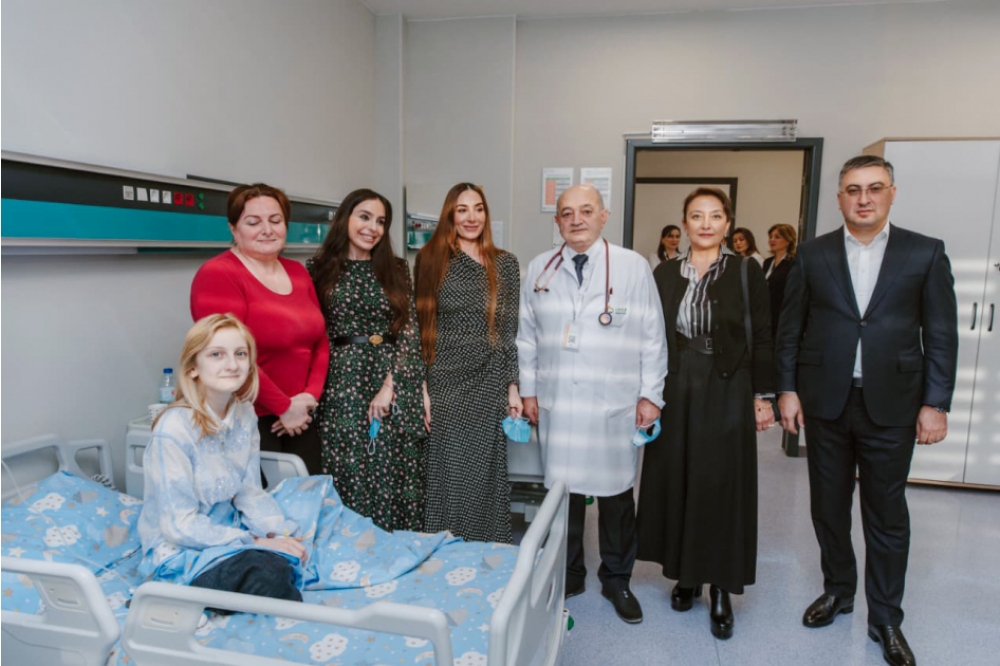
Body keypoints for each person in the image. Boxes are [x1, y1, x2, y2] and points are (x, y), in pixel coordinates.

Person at [776, 155, 958, 666]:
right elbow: (790, 328)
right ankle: (838, 591)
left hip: (894, 404)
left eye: (874, 188)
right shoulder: (813, 254)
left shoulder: (924, 252)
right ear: (839, 198)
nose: (864, 199)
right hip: (826, 401)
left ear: (891, 193)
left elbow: (941, 334)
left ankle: (885, 618)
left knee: (886, 514)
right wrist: (786, 389)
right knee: (828, 508)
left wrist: (935, 403)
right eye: (853, 189)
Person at [518, 184, 668, 624]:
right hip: (559, 401)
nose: (576, 219)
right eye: (567, 213)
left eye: (586, 211)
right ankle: (568, 573)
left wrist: (651, 395)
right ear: (557, 222)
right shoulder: (540, 268)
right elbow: (526, 337)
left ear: (604, 216)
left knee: (616, 494)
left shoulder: (632, 266)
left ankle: (617, 578)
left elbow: (653, 335)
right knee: (563, 494)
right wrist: (529, 391)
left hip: (613, 402)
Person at [636, 187, 774, 640]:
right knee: (678, 477)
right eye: (697, 216)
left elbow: (763, 334)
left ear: (728, 224)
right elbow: (649, 333)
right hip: (676, 382)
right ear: (685, 223)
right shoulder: (664, 272)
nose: (706, 224)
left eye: (715, 216)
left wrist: (762, 396)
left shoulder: (745, 271)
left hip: (727, 382)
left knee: (720, 483)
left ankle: (719, 587)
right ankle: (685, 575)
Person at [137, 314, 305, 605]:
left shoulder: (244, 415)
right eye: (216, 354)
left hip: (230, 532)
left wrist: (279, 533)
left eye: (240, 354)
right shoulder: (173, 429)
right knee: (269, 572)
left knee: (308, 527)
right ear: (193, 368)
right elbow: (178, 526)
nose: (232, 364)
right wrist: (256, 543)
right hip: (183, 550)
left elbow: (249, 491)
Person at [307, 189, 429, 532]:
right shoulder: (317, 269)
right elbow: (314, 331)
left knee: (395, 466)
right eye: (364, 217)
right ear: (344, 218)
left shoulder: (397, 269)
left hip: (392, 374)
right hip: (341, 380)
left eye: (380, 221)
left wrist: (392, 385)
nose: (372, 227)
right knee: (349, 467)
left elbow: (409, 329)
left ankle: (397, 547)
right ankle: (350, 547)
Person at [191, 183, 329, 475]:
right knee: (258, 502)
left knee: (310, 497)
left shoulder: (297, 272)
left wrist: (309, 398)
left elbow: (320, 340)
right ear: (234, 229)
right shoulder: (219, 274)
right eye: (253, 222)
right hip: (247, 417)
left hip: (300, 414)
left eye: (275, 220)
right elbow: (227, 357)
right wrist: (282, 406)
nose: (267, 230)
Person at [415, 182, 522, 543]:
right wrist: (423, 388)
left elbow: (507, 331)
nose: (471, 217)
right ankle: (444, 554)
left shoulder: (505, 264)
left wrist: (512, 387)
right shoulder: (431, 260)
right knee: (448, 475)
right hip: (445, 383)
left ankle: (486, 551)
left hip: (488, 382)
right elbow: (423, 328)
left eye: (478, 209)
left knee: (485, 475)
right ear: (450, 215)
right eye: (462, 210)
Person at [761, 223, 797, 335]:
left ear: (788, 240)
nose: (772, 240)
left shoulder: (793, 262)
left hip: (783, 314)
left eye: (777, 237)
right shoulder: (768, 262)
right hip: (767, 313)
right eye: (771, 237)